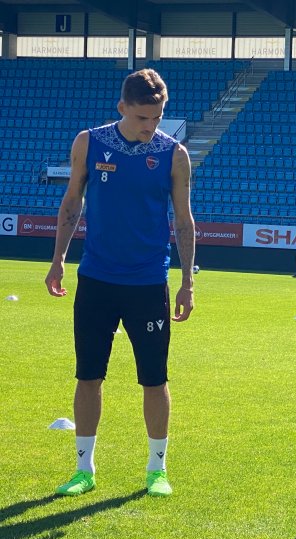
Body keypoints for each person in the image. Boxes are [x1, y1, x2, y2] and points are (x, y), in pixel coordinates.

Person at [44, 68, 195, 498]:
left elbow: (184, 222)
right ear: (122, 108)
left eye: (158, 116)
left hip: (149, 284)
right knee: (88, 375)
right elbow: (72, 201)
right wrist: (58, 260)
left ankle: (156, 469)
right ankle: (84, 469)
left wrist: (187, 282)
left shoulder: (174, 154)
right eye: (144, 117)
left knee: (154, 379)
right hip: (96, 280)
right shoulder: (88, 143)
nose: (152, 126)